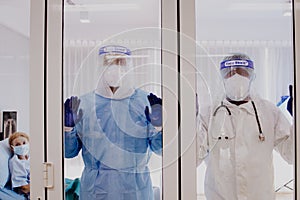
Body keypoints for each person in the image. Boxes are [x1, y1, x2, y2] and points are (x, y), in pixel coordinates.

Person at [64, 45, 162, 200]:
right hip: (96, 189)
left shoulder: (144, 102)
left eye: (120, 64)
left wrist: (159, 127)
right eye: (109, 64)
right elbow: (69, 152)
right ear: (100, 69)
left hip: (135, 189)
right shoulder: (84, 104)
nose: (115, 69)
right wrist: (68, 129)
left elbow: (160, 149)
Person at [196, 53, 294, 200]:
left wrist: (297, 120)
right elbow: (192, 159)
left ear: (251, 77)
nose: (235, 76)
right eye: (230, 73)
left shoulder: (269, 112)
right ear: (222, 79)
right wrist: (188, 123)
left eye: (241, 72)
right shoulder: (209, 114)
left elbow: (292, 155)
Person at [8, 132, 30, 199]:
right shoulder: (16, 162)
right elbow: (24, 188)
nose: (22, 146)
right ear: (12, 148)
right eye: (17, 145)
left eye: (24, 143)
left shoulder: (30, 158)